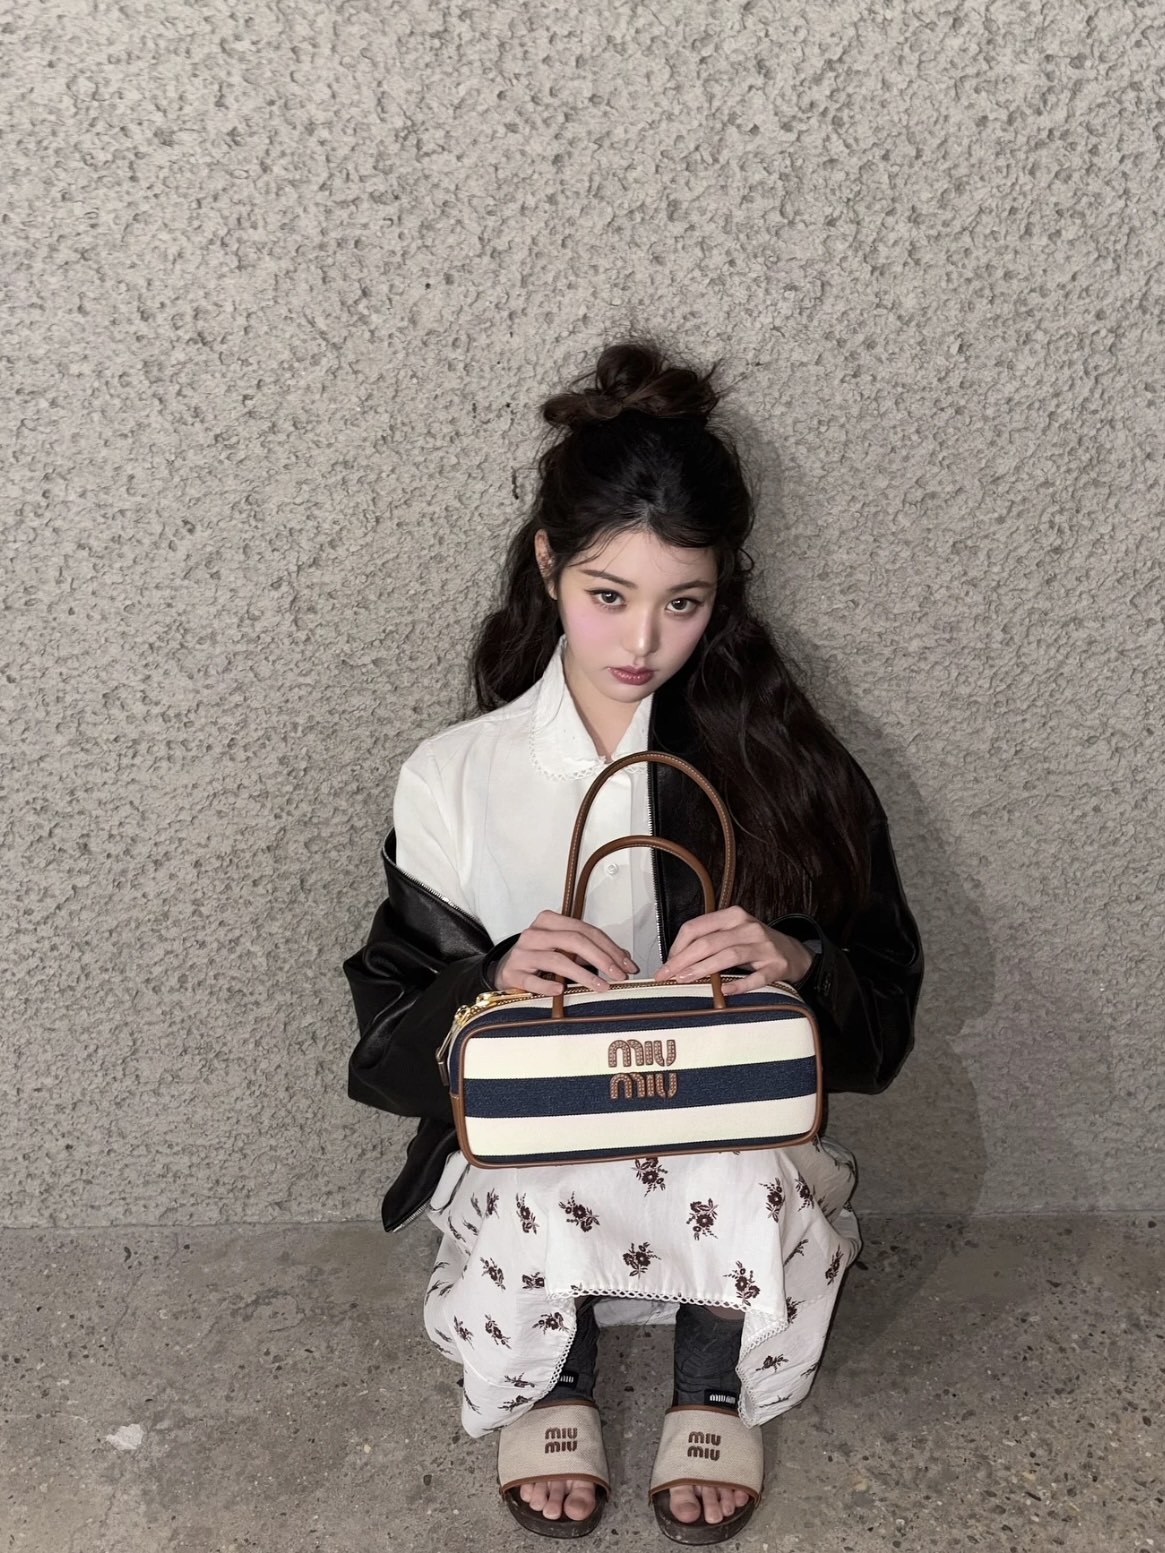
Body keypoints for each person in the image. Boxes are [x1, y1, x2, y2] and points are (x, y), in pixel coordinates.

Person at [343, 338, 923, 1542]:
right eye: (608, 594)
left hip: (723, 1146)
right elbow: (387, 1042)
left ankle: (712, 1377)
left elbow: (881, 1016)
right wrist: (490, 978)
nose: (643, 640)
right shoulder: (454, 773)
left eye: (683, 601)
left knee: (733, 1150)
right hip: (533, 1146)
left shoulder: (780, 763)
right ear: (547, 562)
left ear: (722, 591)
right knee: (536, 1151)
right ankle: (551, 1372)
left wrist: (795, 960)